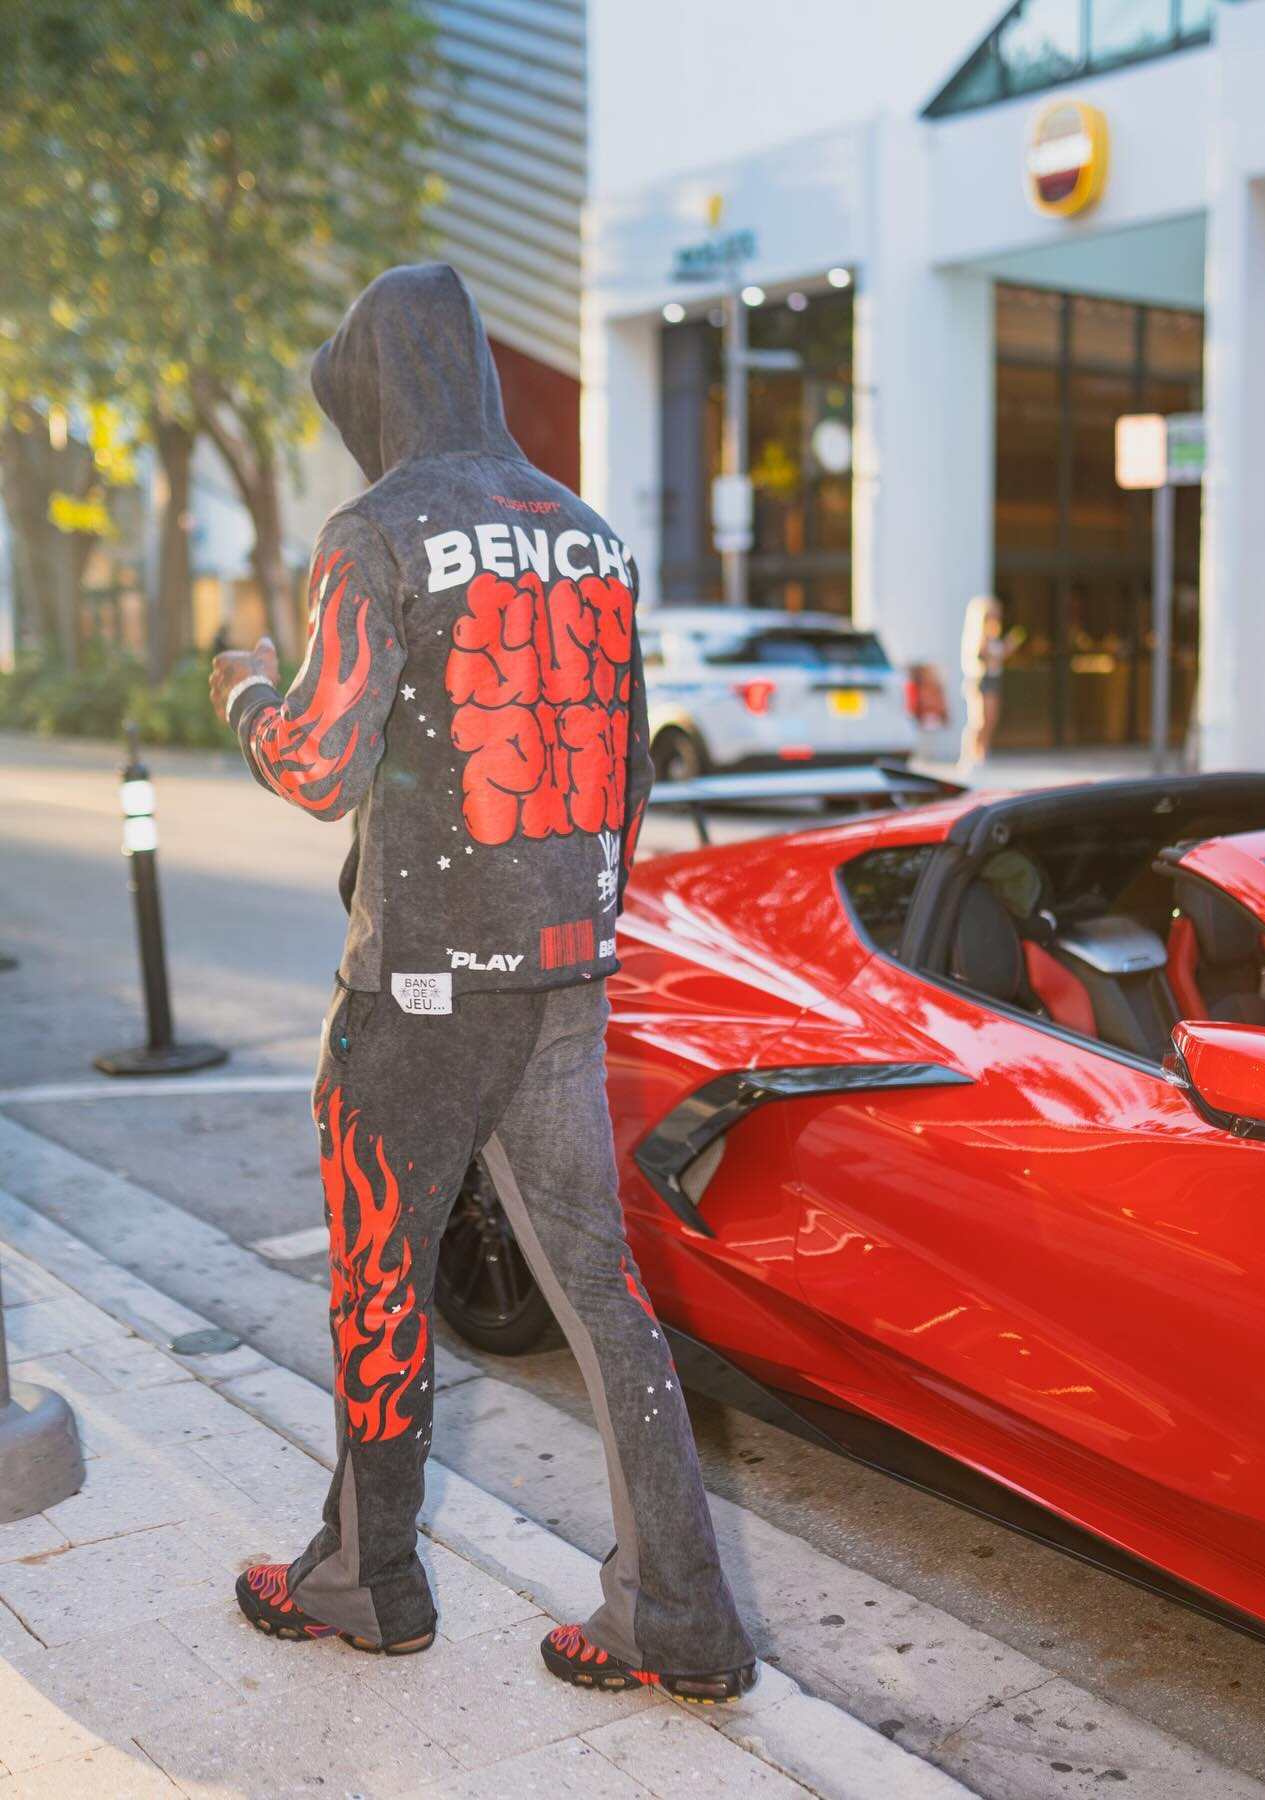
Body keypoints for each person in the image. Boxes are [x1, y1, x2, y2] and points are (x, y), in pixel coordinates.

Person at [208, 264, 756, 1703]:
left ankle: (366, 1581)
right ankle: (683, 1617)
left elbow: (318, 766)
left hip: (421, 996)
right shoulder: (591, 536)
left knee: (379, 1281)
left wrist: (246, 691)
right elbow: (629, 774)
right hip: (567, 975)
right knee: (605, 1292)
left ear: (379, 387)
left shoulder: (376, 531)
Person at [959, 594, 1023, 773]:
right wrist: (1006, 649)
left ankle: (981, 755)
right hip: (981, 680)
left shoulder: (994, 635)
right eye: (993, 614)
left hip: (994, 680)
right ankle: (969, 757)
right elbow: (988, 658)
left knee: (990, 720)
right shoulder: (979, 636)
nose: (996, 618)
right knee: (979, 721)